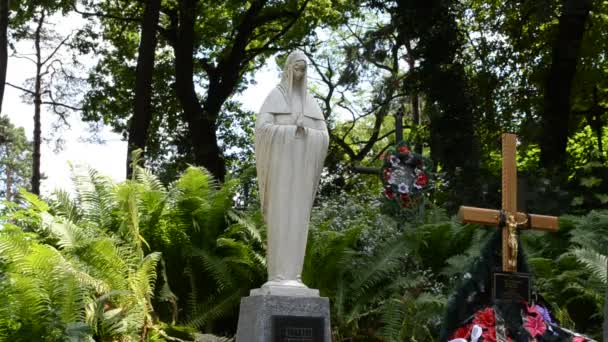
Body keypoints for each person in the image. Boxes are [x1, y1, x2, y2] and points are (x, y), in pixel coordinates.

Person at [254, 50, 329, 294]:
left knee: (298, 221)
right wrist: (290, 131)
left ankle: (294, 275)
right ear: (288, 70)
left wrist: (306, 133)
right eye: (297, 68)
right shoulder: (275, 96)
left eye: (304, 69)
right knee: (280, 220)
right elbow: (263, 130)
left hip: (301, 174)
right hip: (280, 172)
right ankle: (277, 275)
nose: (300, 73)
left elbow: (324, 136)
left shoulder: (311, 102)